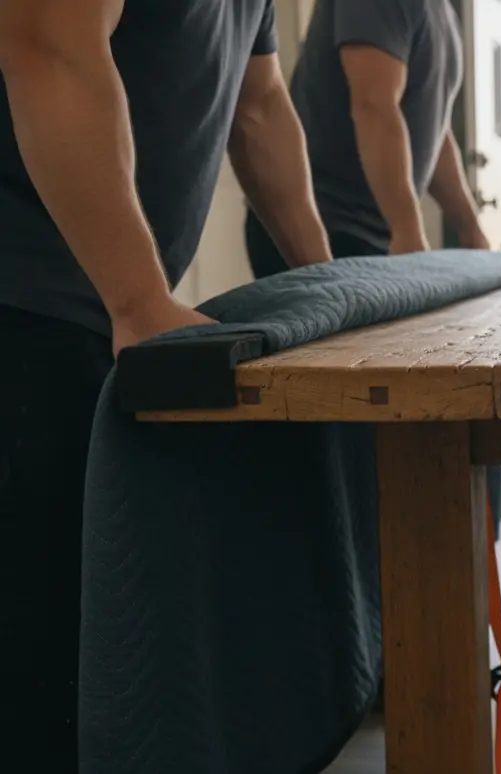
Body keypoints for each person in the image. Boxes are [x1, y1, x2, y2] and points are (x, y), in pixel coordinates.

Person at [0, 2, 333, 768]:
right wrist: (138, 299)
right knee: (35, 672)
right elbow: (46, 41)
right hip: (23, 309)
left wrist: (329, 282)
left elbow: (260, 107)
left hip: (89, 318)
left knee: (87, 662)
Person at [245, 0, 491, 280]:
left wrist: (470, 229)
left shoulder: (441, 10)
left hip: (375, 235)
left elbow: (433, 132)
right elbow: (374, 104)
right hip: (325, 227)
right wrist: (407, 230)